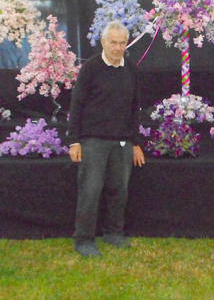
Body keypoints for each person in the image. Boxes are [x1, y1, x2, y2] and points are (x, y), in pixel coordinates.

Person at [68, 21, 145, 258]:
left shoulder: (131, 69)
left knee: (118, 190)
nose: (118, 48)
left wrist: (136, 143)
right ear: (103, 42)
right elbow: (77, 104)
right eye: (113, 42)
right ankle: (84, 240)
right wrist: (74, 141)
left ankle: (113, 233)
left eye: (122, 43)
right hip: (93, 142)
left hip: (122, 143)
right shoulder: (90, 68)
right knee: (91, 191)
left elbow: (135, 109)